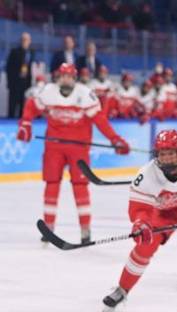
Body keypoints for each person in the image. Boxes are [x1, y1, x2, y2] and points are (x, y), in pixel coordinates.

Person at [17, 63, 131, 243]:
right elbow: (31, 106)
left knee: (80, 185)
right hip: (54, 146)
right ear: (58, 77)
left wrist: (115, 139)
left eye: (69, 76)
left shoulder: (85, 94)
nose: (65, 79)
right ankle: (49, 228)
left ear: (74, 78)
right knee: (52, 183)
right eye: (62, 76)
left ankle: (85, 230)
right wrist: (25, 124)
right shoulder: (48, 91)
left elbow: (100, 120)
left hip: (78, 148)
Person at [102, 130, 177, 311]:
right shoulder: (147, 175)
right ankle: (122, 288)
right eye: (162, 154)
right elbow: (140, 209)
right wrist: (141, 223)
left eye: (171, 154)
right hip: (168, 213)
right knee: (145, 244)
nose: (167, 158)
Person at [6, 32, 36, 118]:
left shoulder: (31, 53)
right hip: (15, 82)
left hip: (25, 82)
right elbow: (9, 67)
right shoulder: (15, 52)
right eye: (23, 39)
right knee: (13, 103)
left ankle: (22, 121)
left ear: (30, 41)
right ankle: (10, 121)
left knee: (23, 104)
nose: (25, 41)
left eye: (27, 40)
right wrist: (10, 82)